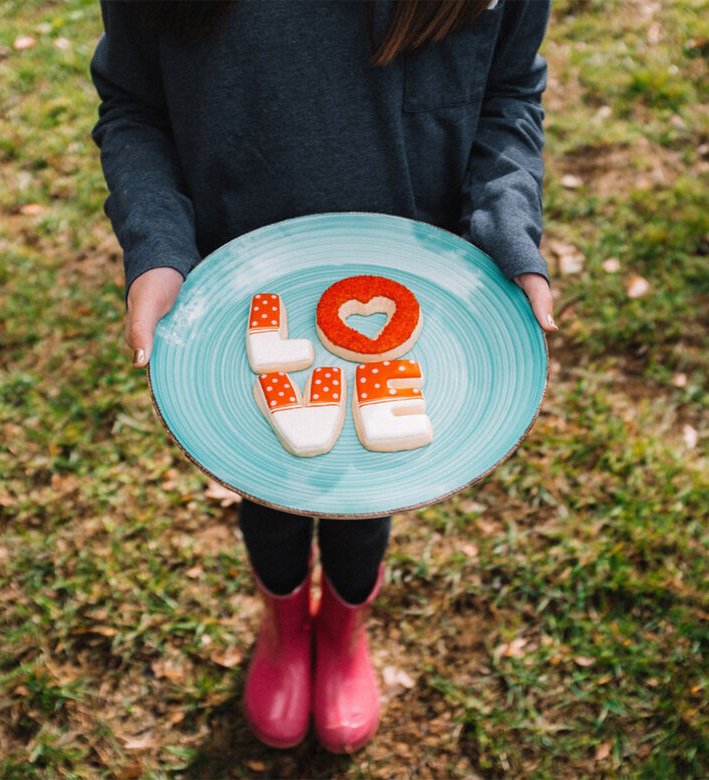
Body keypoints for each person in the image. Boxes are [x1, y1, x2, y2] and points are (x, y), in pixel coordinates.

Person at [90, 0, 557, 753]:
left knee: (364, 469)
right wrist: (157, 244)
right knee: (272, 466)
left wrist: (505, 222)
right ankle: (282, 621)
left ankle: (342, 627)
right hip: (241, 288)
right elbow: (135, 103)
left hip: (408, 290)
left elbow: (507, 93)